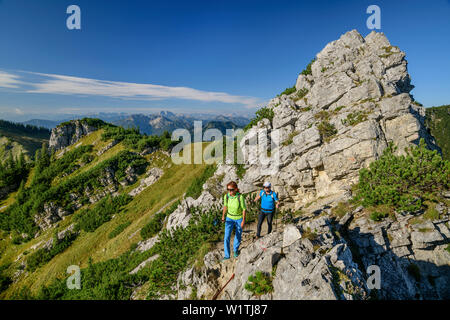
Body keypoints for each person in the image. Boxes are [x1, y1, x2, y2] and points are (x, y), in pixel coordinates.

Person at [222, 181, 246, 260]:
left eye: (231, 190)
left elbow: (244, 209)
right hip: (229, 218)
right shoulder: (227, 196)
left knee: (238, 235)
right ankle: (227, 255)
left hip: (239, 218)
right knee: (226, 236)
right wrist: (223, 216)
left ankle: (235, 250)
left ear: (236, 189)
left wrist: (243, 220)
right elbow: (225, 206)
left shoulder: (240, 197)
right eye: (228, 189)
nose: (229, 191)